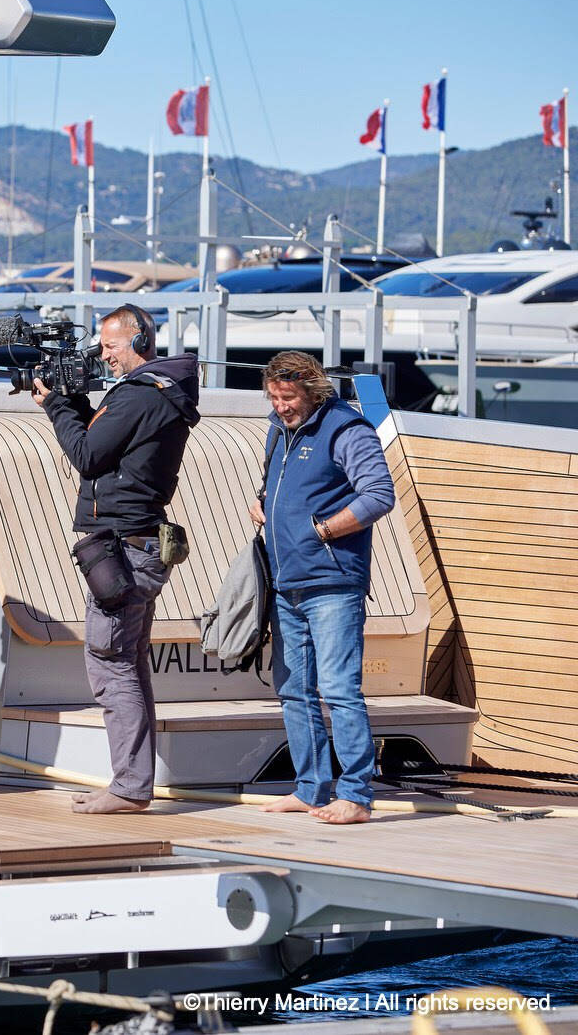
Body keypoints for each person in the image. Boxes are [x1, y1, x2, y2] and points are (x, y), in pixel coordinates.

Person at [33, 305, 200, 814]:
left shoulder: (137, 394)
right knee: (127, 665)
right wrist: (74, 405)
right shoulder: (160, 392)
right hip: (139, 543)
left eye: (110, 346)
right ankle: (132, 783)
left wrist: (57, 406)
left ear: (140, 340)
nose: (102, 355)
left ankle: (129, 788)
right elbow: (105, 447)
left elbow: (86, 457)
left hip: (125, 546)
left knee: (111, 666)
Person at [250, 352, 395, 825]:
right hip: (286, 581)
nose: (280, 405)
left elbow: (378, 495)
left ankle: (355, 795)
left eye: (288, 397)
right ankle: (311, 789)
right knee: (294, 690)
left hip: (332, 581)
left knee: (339, 690)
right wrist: (267, 510)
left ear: (314, 391)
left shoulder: (346, 429)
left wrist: (322, 531)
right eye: (273, 396)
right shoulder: (279, 430)